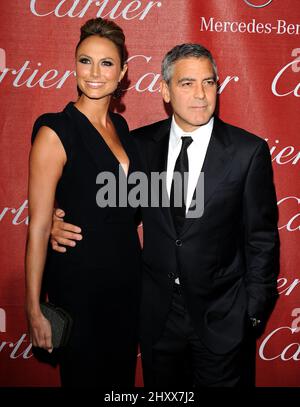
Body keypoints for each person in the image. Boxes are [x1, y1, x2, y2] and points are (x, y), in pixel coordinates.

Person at [51, 43, 279, 387]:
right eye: (187, 83)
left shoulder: (247, 152)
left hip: (223, 319)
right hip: (158, 320)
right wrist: (57, 222)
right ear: (165, 90)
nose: (201, 94)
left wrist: (251, 313)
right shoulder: (140, 146)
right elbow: (113, 210)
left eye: (209, 82)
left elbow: (261, 237)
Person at [25, 18, 142, 387]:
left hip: (126, 282)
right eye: (85, 61)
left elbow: (129, 207)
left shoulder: (122, 130)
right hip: (80, 284)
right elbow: (39, 226)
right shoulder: (54, 130)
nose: (94, 73)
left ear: (122, 72)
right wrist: (32, 308)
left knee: (119, 383)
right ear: (73, 65)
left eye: (106, 63)